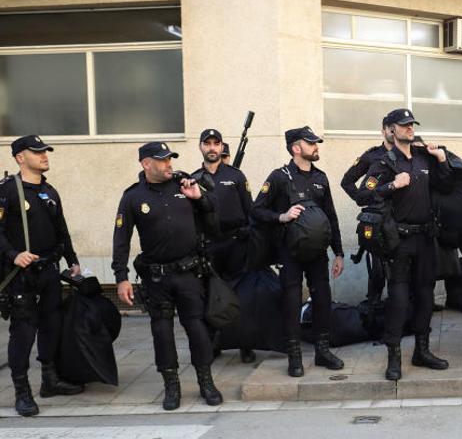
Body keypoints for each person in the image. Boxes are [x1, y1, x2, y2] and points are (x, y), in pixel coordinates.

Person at [112, 142, 223, 411]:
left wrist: (200, 198)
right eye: (161, 160)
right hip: (157, 278)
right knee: (162, 332)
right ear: (145, 164)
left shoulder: (184, 186)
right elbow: (121, 239)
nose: (168, 164)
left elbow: (213, 225)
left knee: (196, 328)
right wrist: (121, 276)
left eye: (170, 159)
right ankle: (171, 386)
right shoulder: (132, 197)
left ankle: (206, 382)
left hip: (188, 273)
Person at [360, 108, 450, 381]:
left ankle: (421, 351)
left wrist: (442, 159)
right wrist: (392, 186)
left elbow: (445, 186)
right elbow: (364, 193)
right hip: (398, 241)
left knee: (425, 296)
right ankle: (394, 356)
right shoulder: (385, 163)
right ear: (391, 130)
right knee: (399, 300)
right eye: (404, 125)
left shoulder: (424, 157)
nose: (409, 129)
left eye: (412, 125)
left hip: (425, 239)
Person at [251, 126, 345, 377]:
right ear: (296, 148)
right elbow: (257, 211)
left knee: (322, 299)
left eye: (316, 143)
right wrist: (282, 216)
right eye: (311, 143)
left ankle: (322, 351)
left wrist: (338, 253)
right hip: (288, 253)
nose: (316, 147)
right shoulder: (279, 177)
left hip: (317, 253)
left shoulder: (321, 177)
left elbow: (332, 216)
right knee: (292, 302)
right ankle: (294, 357)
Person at [0, 135, 84, 417]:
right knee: (23, 332)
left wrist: (72, 260)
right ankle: (22, 392)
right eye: (36, 152)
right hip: (21, 275)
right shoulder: (8, 191)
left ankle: (49, 380)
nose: (44, 156)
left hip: (48, 271)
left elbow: (62, 228)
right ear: (20, 158)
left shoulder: (49, 191)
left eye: (45, 151)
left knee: (52, 326)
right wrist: (14, 254)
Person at [191, 129, 255, 363]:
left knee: (241, 296)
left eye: (216, 143)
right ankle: (214, 343)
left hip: (236, 243)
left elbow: (251, 211)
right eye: (207, 143)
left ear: (221, 147)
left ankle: (245, 344)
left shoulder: (236, 176)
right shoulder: (193, 179)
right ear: (201, 147)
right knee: (210, 297)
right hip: (209, 246)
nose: (212, 148)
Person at [340, 115, 394, 316]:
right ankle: (374, 309)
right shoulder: (372, 156)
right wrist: (363, 198)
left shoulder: (409, 154)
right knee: (378, 269)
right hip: (379, 221)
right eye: (389, 129)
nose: (392, 132)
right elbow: (347, 181)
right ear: (383, 131)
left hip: (401, 218)